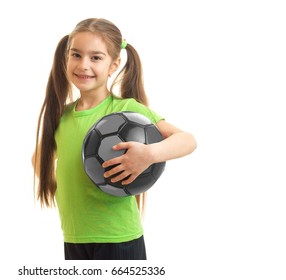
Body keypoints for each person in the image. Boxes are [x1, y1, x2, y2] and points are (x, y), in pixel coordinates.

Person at [32, 18, 197, 260]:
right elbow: (39, 159)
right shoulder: (62, 116)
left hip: (119, 239)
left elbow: (187, 140)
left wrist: (149, 155)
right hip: (75, 236)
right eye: (76, 55)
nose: (83, 65)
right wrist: (68, 190)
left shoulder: (126, 109)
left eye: (96, 57)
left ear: (114, 64)